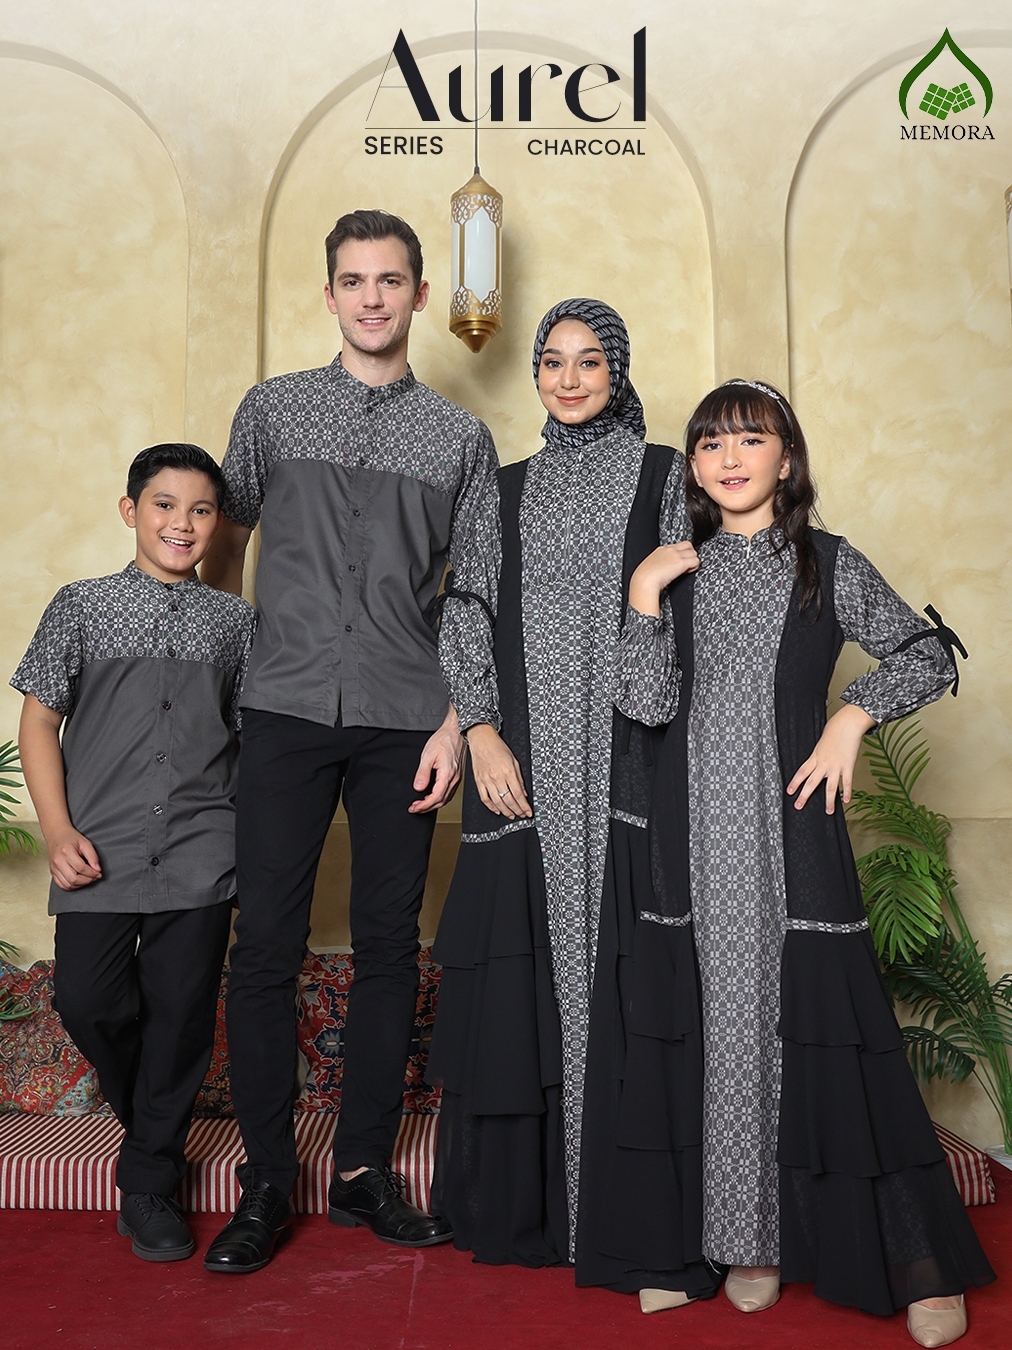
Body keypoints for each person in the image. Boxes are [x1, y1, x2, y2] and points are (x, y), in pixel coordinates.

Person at [614, 379, 994, 1344]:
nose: (729, 457)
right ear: (695, 466)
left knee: (830, 1035)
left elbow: (928, 655)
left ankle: (914, 1259)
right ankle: (747, 1244)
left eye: (752, 439)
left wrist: (852, 717)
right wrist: (645, 597)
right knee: (717, 1037)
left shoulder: (827, 562)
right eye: (710, 443)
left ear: (788, 458)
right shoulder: (675, 568)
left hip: (793, 838)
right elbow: (646, 705)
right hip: (691, 845)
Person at [199, 209, 498, 1273]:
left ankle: (365, 1170)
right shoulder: (272, 411)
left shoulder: (460, 440)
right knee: (265, 947)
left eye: (391, 280)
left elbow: (475, 597)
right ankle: (267, 1179)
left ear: (420, 294)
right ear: (329, 295)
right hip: (279, 709)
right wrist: (225, 687)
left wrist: (457, 723)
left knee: (386, 948)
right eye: (354, 281)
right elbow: (223, 544)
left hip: (403, 720)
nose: (373, 298)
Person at [427, 299, 721, 1308]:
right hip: (521, 764)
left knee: (637, 972)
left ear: (617, 370)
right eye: (551, 361)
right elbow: (467, 610)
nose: (566, 378)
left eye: (589, 361)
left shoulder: (665, 474)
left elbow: (697, 606)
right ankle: (540, 1214)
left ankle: (631, 1217)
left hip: (636, 758)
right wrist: (478, 728)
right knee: (527, 974)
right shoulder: (503, 488)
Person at [12, 443, 255, 1263]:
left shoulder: (237, 624)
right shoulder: (80, 606)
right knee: (87, 1000)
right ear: (131, 511)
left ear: (216, 524)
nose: (181, 523)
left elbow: (247, 739)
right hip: (98, 848)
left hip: (202, 849)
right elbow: (39, 721)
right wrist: (57, 831)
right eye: (164, 505)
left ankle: (147, 1184)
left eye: (200, 510)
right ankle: (155, 1127)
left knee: (181, 1016)